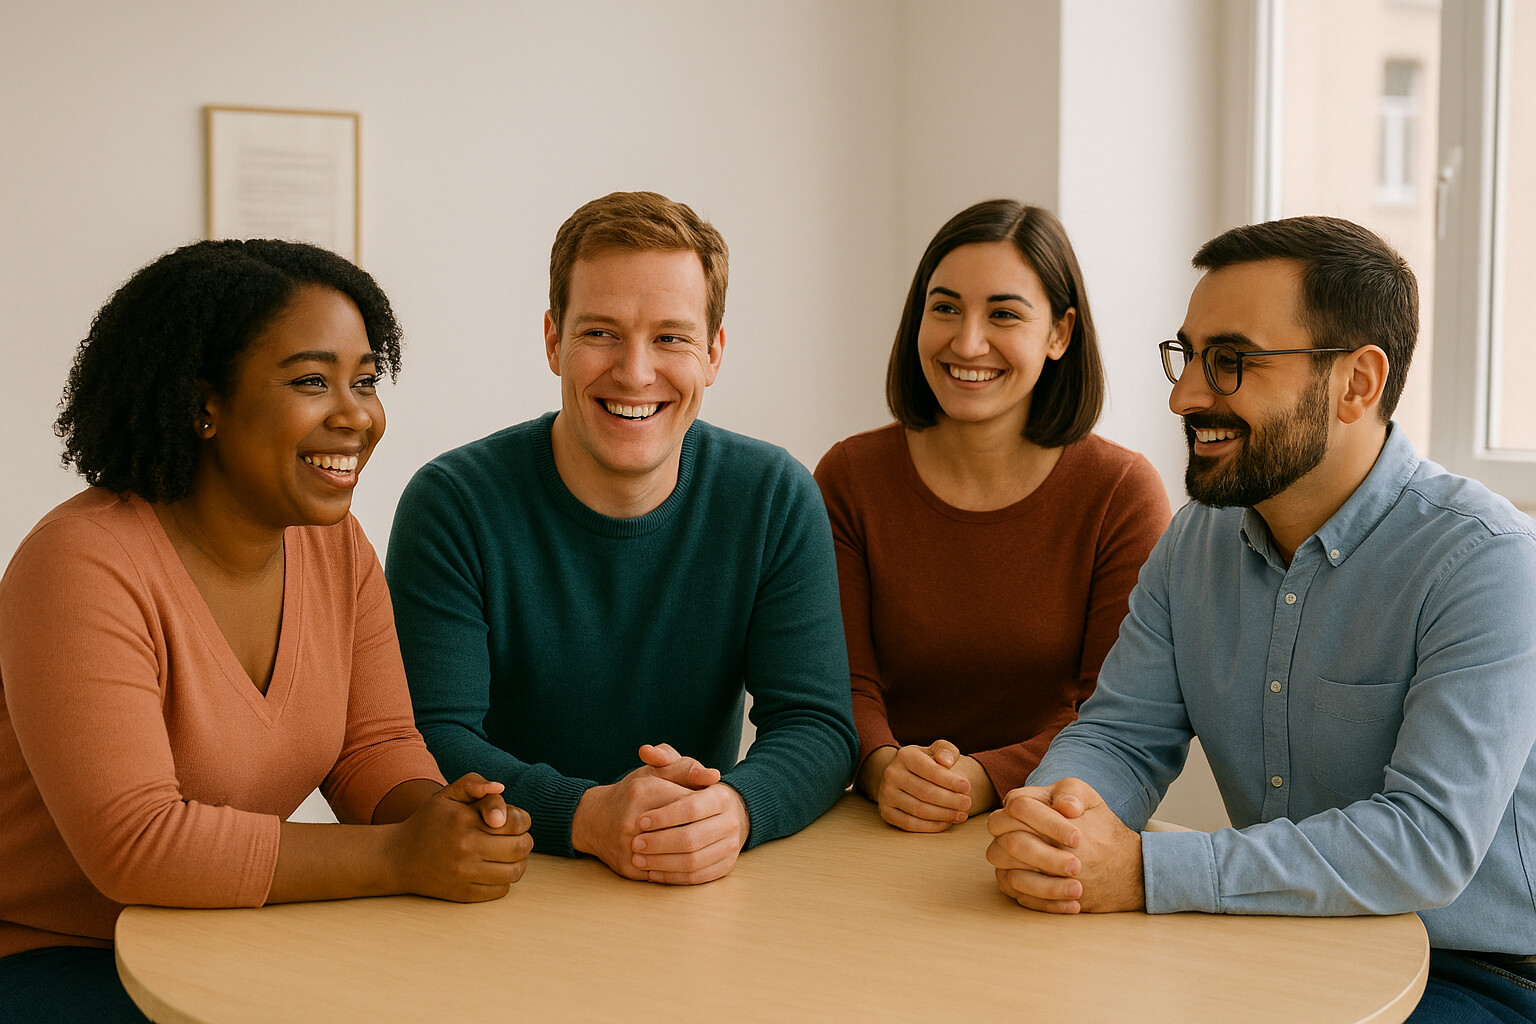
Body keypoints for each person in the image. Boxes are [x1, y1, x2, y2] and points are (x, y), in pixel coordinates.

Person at [985, 216, 1536, 1022]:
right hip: (1267, 938)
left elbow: (1426, 843)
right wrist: (1060, 822)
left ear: (1357, 383)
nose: (1184, 395)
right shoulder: (1196, 541)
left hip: (1477, 974)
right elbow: (1121, 738)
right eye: (1188, 356)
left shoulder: (1490, 563)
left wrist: (1142, 871)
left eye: (1231, 362)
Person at [0, 240, 533, 1024]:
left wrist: (438, 816)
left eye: (364, 381)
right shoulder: (81, 563)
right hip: (52, 950)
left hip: (221, 935)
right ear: (201, 404)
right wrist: (397, 856)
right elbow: (136, 843)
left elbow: (371, 746)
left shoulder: (334, 546)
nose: (355, 415)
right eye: (312, 381)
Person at [387, 191, 858, 886]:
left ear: (714, 354)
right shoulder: (453, 504)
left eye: (671, 337)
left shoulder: (773, 496)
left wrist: (735, 809)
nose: (636, 371)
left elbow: (817, 725)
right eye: (601, 333)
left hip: (686, 880)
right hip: (502, 879)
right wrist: (587, 815)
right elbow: (427, 739)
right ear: (553, 341)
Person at [814, 200, 1169, 833]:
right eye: (944, 307)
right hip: (877, 822)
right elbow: (840, 680)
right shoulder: (849, 476)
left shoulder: (1121, 492)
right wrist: (883, 765)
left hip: (1051, 823)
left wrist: (981, 780)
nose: (967, 341)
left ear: (1060, 333)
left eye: (1003, 314)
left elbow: (1115, 711)